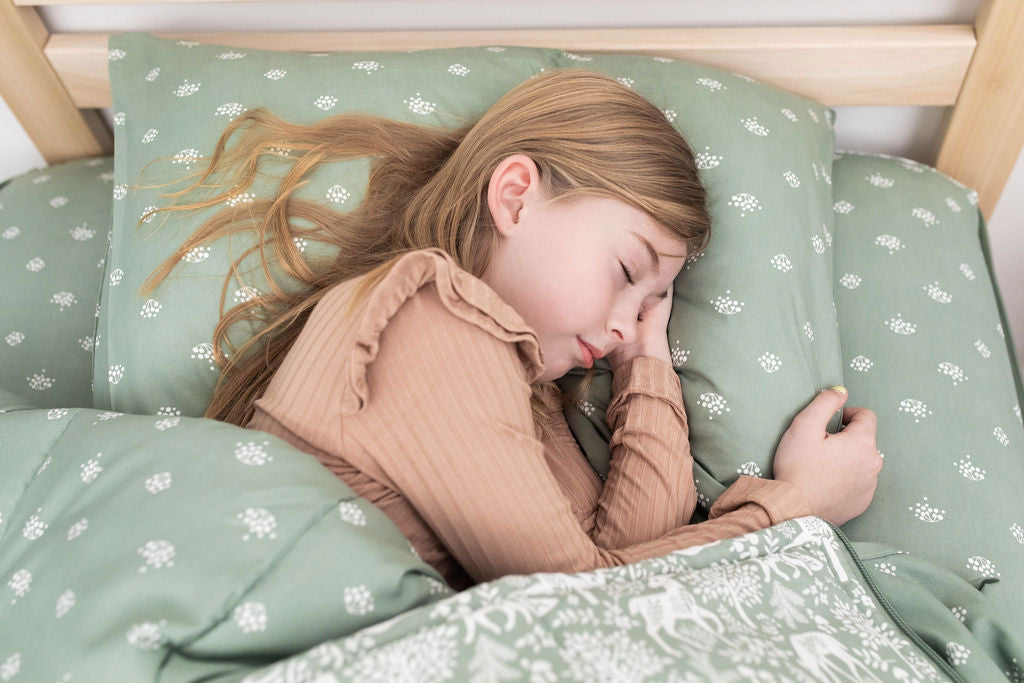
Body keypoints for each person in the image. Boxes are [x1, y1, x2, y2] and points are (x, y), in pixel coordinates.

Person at [141, 69, 881, 591]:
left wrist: (644, 359)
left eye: (654, 300)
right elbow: (583, 597)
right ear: (517, 197)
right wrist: (798, 507)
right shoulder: (428, 316)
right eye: (626, 270)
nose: (624, 322)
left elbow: (631, 552)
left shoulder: (525, 385)